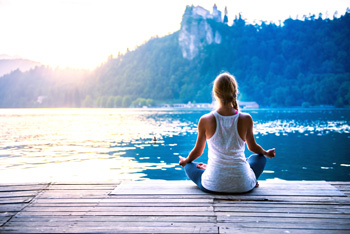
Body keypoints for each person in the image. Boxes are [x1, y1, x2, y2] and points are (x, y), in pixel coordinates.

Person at [179, 73, 275, 193]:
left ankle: (210, 170)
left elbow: (198, 152)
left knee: (189, 165)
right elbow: (253, 147)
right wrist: (266, 153)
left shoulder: (205, 120)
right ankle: (250, 179)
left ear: (215, 94)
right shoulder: (246, 118)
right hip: (243, 186)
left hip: (213, 185)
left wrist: (185, 161)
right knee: (260, 158)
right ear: (235, 92)